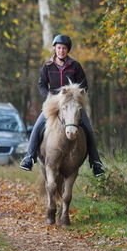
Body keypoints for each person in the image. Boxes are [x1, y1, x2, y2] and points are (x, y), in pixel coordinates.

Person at [19, 34, 105, 177]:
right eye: (59, 48)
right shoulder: (47, 66)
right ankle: (29, 157)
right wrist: (49, 96)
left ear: (67, 50)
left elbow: (84, 85)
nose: (61, 51)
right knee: (37, 127)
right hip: (54, 104)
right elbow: (41, 84)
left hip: (72, 104)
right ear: (55, 49)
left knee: (88, 129)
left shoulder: (75, 66)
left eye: (64, 48)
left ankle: (95, 162)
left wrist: (77, 95)